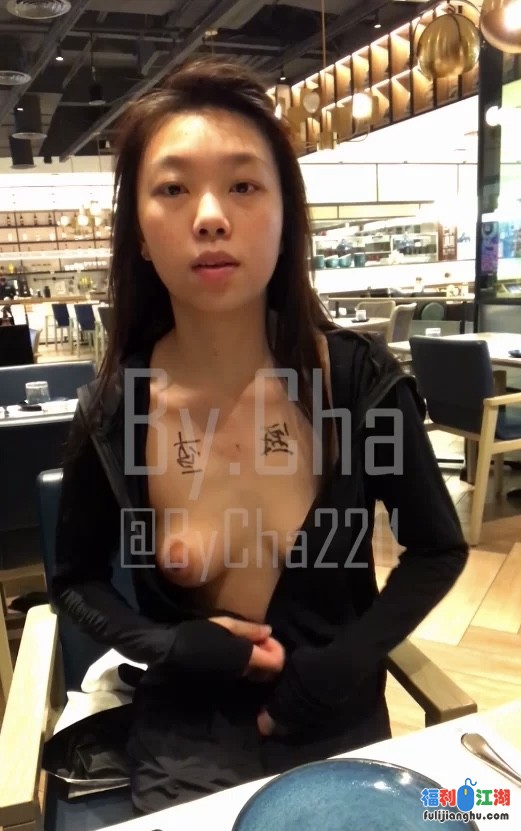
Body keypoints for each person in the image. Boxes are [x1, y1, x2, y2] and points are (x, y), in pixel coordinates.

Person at [52, 57, 469, 815]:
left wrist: (343, 661)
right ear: (139, 232)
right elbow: (74, 582)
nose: (210, 215)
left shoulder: (356, 381)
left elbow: (437, 548)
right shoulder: (114, 411)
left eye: (243, 185)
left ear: (284, 217)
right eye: (173, 189)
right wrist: (169, 645)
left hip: (336, 720)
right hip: (187, 740)